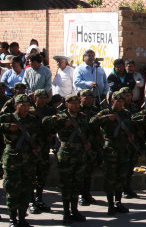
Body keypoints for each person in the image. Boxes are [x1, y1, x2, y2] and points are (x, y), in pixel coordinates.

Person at [43, 93, 90, 224]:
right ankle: (66, 212)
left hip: (80, 153)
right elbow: (45, 122)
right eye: (73, 103)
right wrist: (63, 122)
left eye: (77, 103)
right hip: (66, 153)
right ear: (67, 104)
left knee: (77, 183)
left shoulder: (83, 117)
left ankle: (74, 210)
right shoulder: (61, 116)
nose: (76, 105)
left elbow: (87, 132)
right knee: (66, 184)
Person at [0, 94, 43, 227]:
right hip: (12, 159)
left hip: (28, 159)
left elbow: (39, 136)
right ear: (15, 106)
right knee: (12, 190)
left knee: (26, 189)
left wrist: (37, 148)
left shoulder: (32, 119)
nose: (25, 108)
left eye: (27, 105)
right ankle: (13, 219)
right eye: (22, 105)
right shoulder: (7, 118)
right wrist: (7, 126)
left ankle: (22, 218)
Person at [90, 90, 132, 216]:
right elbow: (91, 122)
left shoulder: (126, 113)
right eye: (117, 101)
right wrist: (106, 118)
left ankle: (118, 202)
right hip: (110, 149)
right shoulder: (106, 112)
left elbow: (130, 127)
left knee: (121, 176)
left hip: (123, 148)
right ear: (112, 101)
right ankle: (110, 203)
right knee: (110, 177)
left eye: (121, 101)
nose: (119, 103)